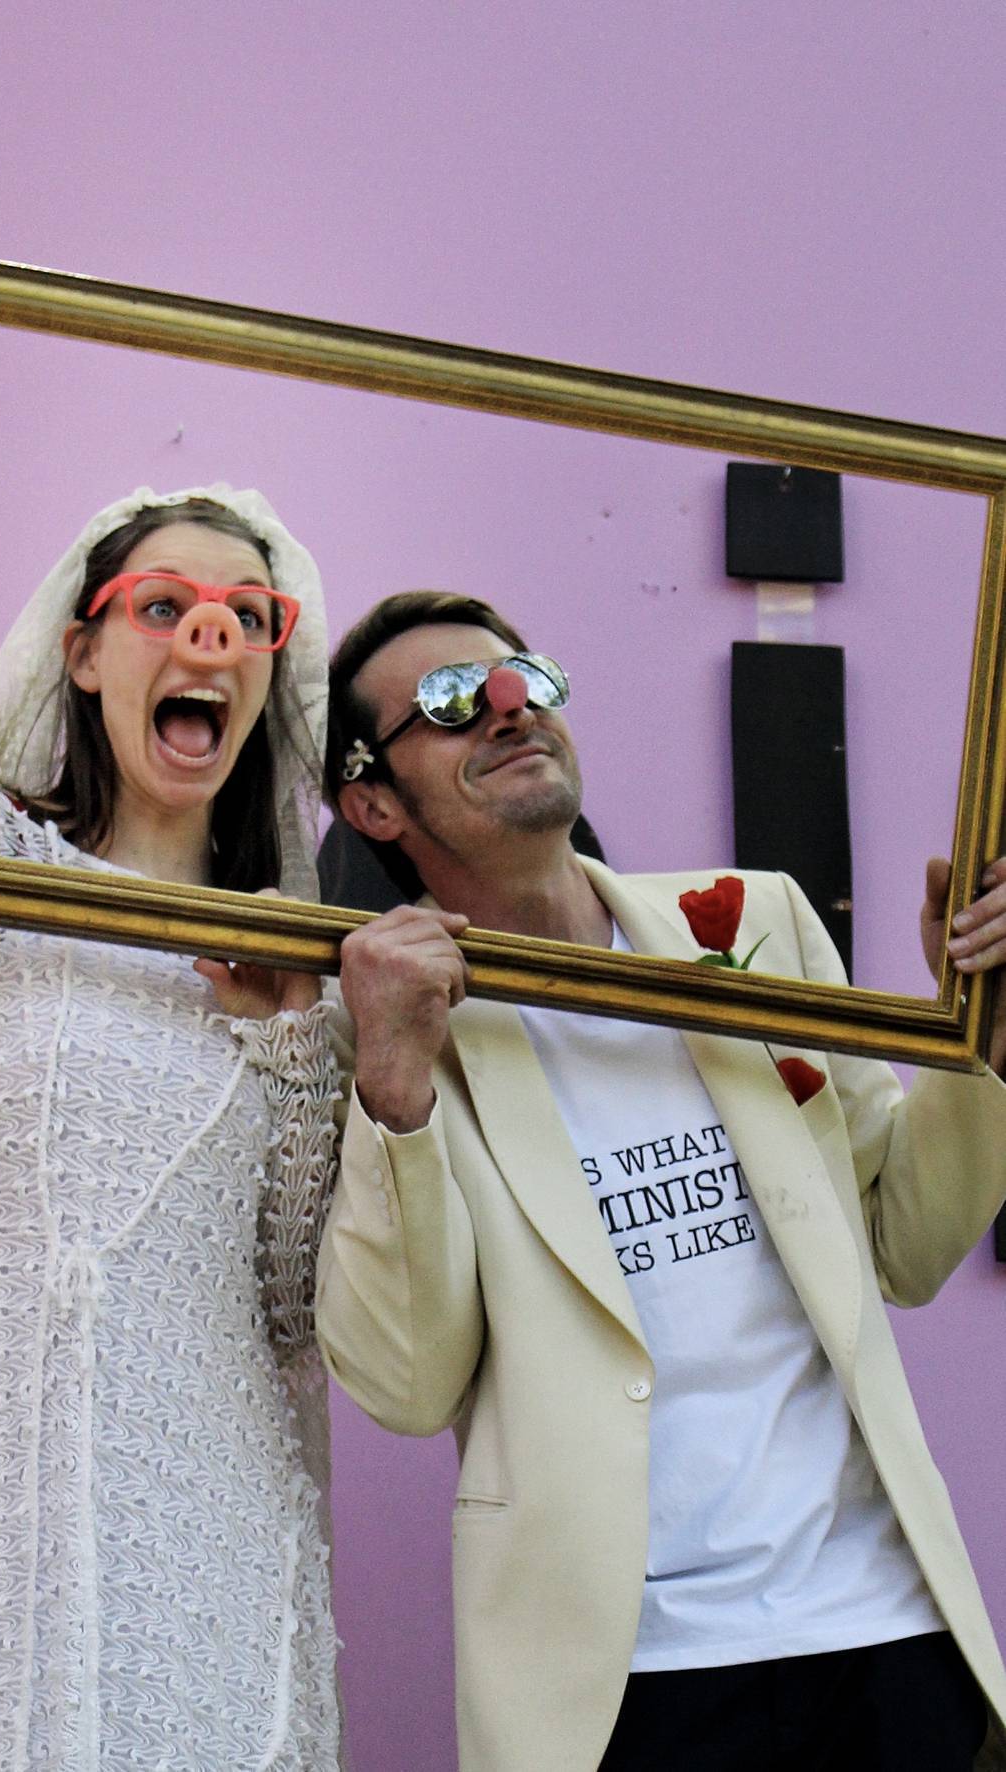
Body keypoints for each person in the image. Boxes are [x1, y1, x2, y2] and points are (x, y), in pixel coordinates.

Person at [316, 589, 1006, 1772]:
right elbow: (409, 1383)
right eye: (448, 700)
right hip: (623, 1682)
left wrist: (979, 1045)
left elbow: (903, 1244)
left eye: (526, 676)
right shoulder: (382, 1027)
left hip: (883, 1634)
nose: (507, 705)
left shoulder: (752, 921)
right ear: (374, 801)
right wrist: (396, 1086)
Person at [0, 485, 342, 1770]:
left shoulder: (291, 956)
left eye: (246, 615)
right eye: (162, 605)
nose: (208, 635)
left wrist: (293, 1042)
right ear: (83, 650)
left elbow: (290, 1307)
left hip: (201, 1502)